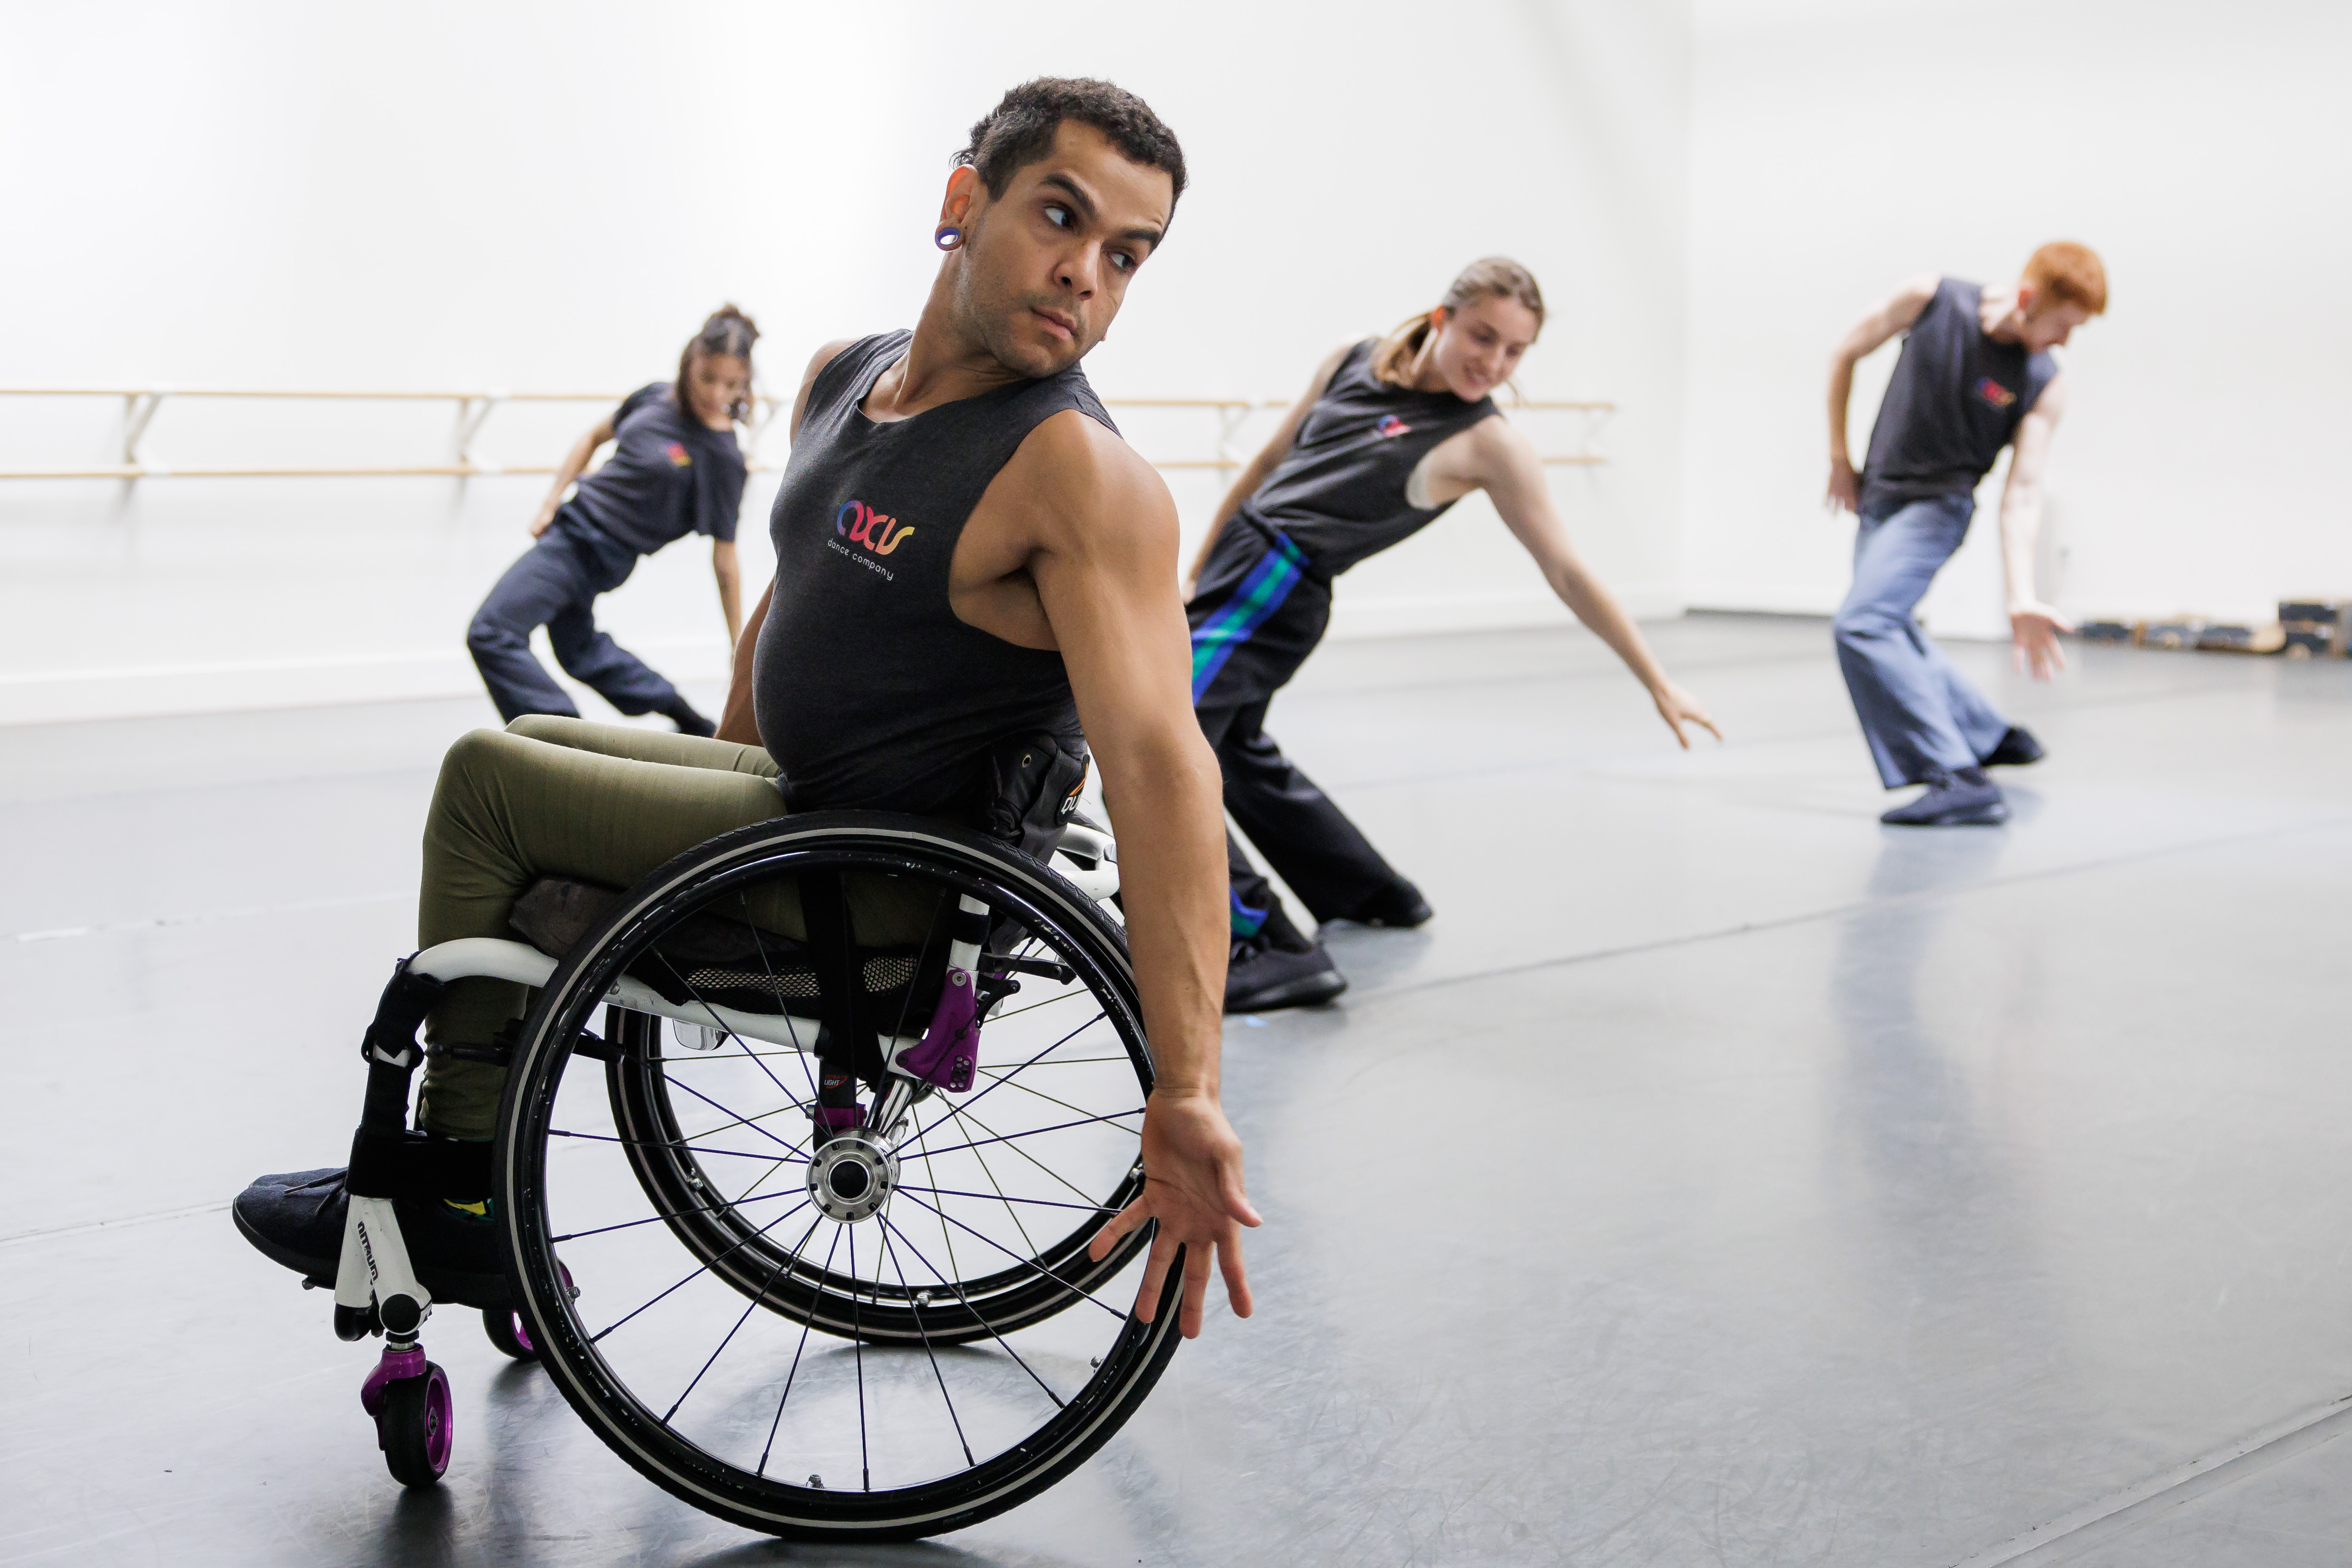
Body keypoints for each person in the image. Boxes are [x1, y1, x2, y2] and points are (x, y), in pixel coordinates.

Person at [237, 79, 1254, 1338]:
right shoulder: (845, 376)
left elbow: (1163, 767)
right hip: (801, 814)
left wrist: (1187, 1085)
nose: (1085, 275)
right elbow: (789, 595)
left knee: (486, 784)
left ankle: (459, 1190)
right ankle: (477, 1160)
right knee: (534, 743)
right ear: (964, 199)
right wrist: (702, 821)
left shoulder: (1077, 475)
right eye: (1061, 215)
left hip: (878, 879)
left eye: (1127, 255)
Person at [1184, 259, 1721, 1013]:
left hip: (1277, 585)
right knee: (1232, 749)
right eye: (1482, 336)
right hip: (1241, 565)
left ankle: (1267, 946)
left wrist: (1658, 680)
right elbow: (1270, 464)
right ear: (1442, 319)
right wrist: (1199, 565)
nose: (1494, 362)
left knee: (1162, 744)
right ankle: (1369, 892)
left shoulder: (1489, 444)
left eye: (1515, 350)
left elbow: (1566, 569)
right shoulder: (1353, 358)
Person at [1824, 242, 2108, 826]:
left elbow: (2022, 492)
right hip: (1878, 497)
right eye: (2062, 325)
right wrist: (1838, 458)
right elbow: (1844, 352)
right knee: (1889, 623)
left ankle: (1957, 776)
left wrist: (2020, 595)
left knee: (1863, 623)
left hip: (1937, 509)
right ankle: (1986, 733)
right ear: (2028, 298)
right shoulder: (1931, 299)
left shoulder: (2041, 382)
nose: (2063, 342)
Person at [463, 306, 756, 736]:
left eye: (730, 384)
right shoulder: (654, 397)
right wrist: (550, 503)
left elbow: (725, 560)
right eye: (707, 377)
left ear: (745, 381)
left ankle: (562, 742)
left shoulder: (724, 457)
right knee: (578, 650)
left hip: (597, 552)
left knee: (491, 632)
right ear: (691, 361)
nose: (716, 394)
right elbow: (592, 438)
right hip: (572, 527)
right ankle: (682, 712)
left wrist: (738, 647)